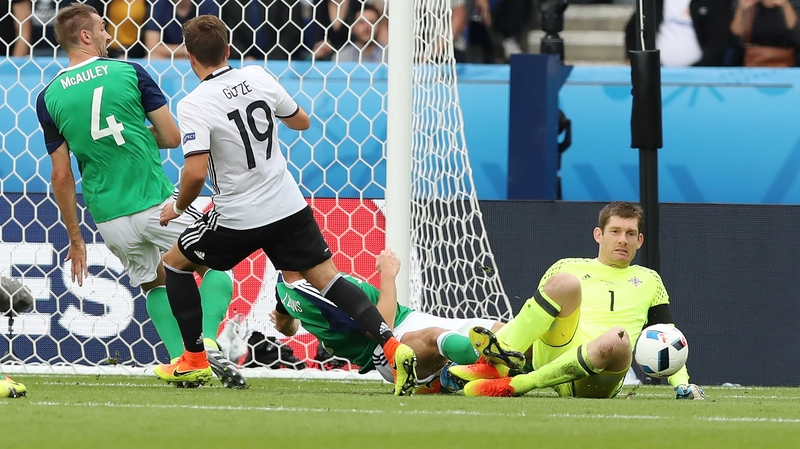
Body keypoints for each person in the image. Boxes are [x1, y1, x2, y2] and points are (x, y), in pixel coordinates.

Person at [155, 15, 418, 396]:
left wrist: (178, 208)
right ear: (228, 49)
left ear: (191, 59)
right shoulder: (259, 76)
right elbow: (302, 121)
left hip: (239, 217)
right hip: (288, 207)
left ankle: (194, 360)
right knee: (330, 280)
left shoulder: (195, 103)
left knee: (174, 265)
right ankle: (393, 348)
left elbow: (195, 174)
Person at [34, 4, 243, 389]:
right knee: (215, 268)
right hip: (157, 203)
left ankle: (184, 361)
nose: (107, 31)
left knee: (155, 284)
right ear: (85, 37)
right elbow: (171, 137)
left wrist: (76, 240)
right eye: (100, 27)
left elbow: (61, 175)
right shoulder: (129, 71)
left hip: (110, 218)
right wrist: (135, 134)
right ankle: (207, 343)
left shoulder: (47, 97)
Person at [448, 201, 706, 400]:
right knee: (564, 283)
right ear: (598, 235)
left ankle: (519, 384)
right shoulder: (566, 265)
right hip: (555, 352)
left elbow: (667, 338)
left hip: (600, 376)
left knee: (617, 337)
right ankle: (492, 366)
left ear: (639, 241)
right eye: (615, 231)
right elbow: (530, 321)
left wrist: (682, 383)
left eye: (630, 234)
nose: (622, 240)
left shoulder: (650, 279)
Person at [271, 249, 513, 393]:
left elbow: (284, 324)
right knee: (434, 337)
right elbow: (380, 325)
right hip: (386, 349)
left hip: (410, 318)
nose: (316, 240)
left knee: (498, 330)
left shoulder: (285, 286)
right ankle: (493, 368)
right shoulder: (317, 290)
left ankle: (456, 376)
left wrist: (294, 323)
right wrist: (388, 274)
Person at [624, 0, 734, 67]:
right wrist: (635, 59)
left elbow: (719, 38)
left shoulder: (715, 2)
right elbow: (634, 28)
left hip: (699, 77)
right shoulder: (656, 1)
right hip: (657, 73)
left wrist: (702, 68)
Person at [730, 0, 800, 67]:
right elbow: (736, 34)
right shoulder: (746, 3)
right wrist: (741, 9)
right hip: (753, 65)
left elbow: (796, 32)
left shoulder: (794, 2)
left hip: (787, 65)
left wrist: (785, 5)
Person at [144, 0, 219, 59]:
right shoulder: (158, 3)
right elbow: (151, 47)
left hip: (198, 58)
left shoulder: (208, 3)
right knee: (153, 58)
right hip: (167, 57)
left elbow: (208, 46)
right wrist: (185, 51)